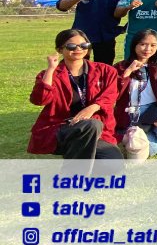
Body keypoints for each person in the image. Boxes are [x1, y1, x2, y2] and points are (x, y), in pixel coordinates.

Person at [29, 29, 124, 171]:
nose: (78, 49)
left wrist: (93, 107)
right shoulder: (50, 74)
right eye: (71, 46)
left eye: (83, 45)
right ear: (60, 49)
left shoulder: (106, 71)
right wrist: (51, 70)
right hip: (62, 127)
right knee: (92, 124)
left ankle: (76, 155)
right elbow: (40, 100)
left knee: (113, 164)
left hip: (97, 131)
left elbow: (110, 95)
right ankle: (74, 176)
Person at [114, 29, 157, 157]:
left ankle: (141, 137)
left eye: (153, 45)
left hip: (152, 111)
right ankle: (137, 137)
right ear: (134, 45)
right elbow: (114, 93)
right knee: (150, 150)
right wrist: (128, 72)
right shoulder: (120, 67)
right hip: (129, 112)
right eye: (143, 44)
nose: (147, 49)